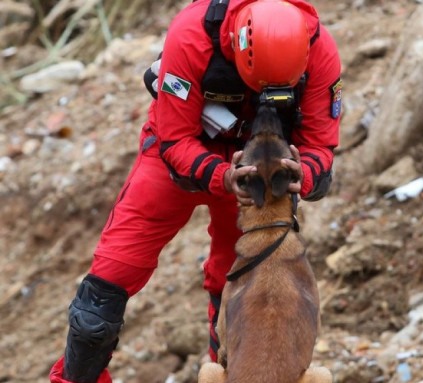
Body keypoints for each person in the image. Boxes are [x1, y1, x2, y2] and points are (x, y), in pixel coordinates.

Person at [48, 0, 341, 381]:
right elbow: (174, 140)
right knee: (98, 307)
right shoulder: (191, 36)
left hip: (252, 173)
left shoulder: (317, 48)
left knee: (236, 295)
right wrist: (223, 176)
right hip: (180, 159)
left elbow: (321, 142)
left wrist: (307, 171)